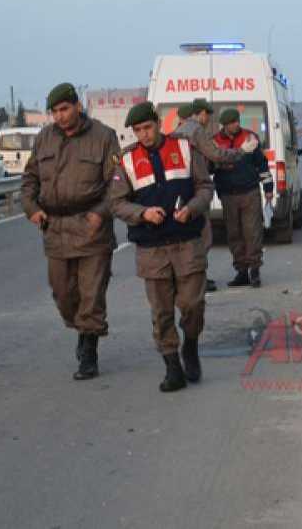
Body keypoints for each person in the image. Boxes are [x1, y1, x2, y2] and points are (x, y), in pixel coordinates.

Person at [109, 102, 213, 392]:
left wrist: (192, 208)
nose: (144, 134)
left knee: (193, 305)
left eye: (147, 127)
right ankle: (173, 368)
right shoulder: (126, 161)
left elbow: (205, 187)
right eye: (138, 130)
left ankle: (190, 346)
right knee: (161, 312)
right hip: (151, 249)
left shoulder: (184, 148)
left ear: (158, 123)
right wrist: (142, 213)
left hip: (186, 243)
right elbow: (116, 202)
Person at [20, 82, 120, 381]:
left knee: (91, 292)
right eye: (55, 112)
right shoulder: (44, 139)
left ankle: (89, 350)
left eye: (65, 109)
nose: (60, 117)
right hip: (56, 228)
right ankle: (80, 328)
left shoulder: (103, 136)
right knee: (63, 293)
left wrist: (100, 213)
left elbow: (117, 180)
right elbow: (29, 180)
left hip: (91, 228)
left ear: (77, 106)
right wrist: (32, 208)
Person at [172, 97, 256, 293]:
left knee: (185, 237)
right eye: (208, 116)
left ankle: (185, 277)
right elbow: (217, 154)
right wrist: (241, 151)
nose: (208, 120)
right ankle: (200, 279)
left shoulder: (177, 132)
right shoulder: (197, 131)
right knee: (203, 236)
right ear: (201, 113)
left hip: (180, 189)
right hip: (196, 189)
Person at [212, 108, 273, 288]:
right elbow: (209, 167)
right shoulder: (215, 141)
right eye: (232, 123)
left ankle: (254, 270)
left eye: (237, 121)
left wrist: (268, 188)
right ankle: (241, 271)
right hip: (228, 195)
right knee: (234, 234)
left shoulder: (250, 138)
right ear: (224, 125)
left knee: (252, 232)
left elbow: (262, 165)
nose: (236, 125)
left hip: (249, 192)